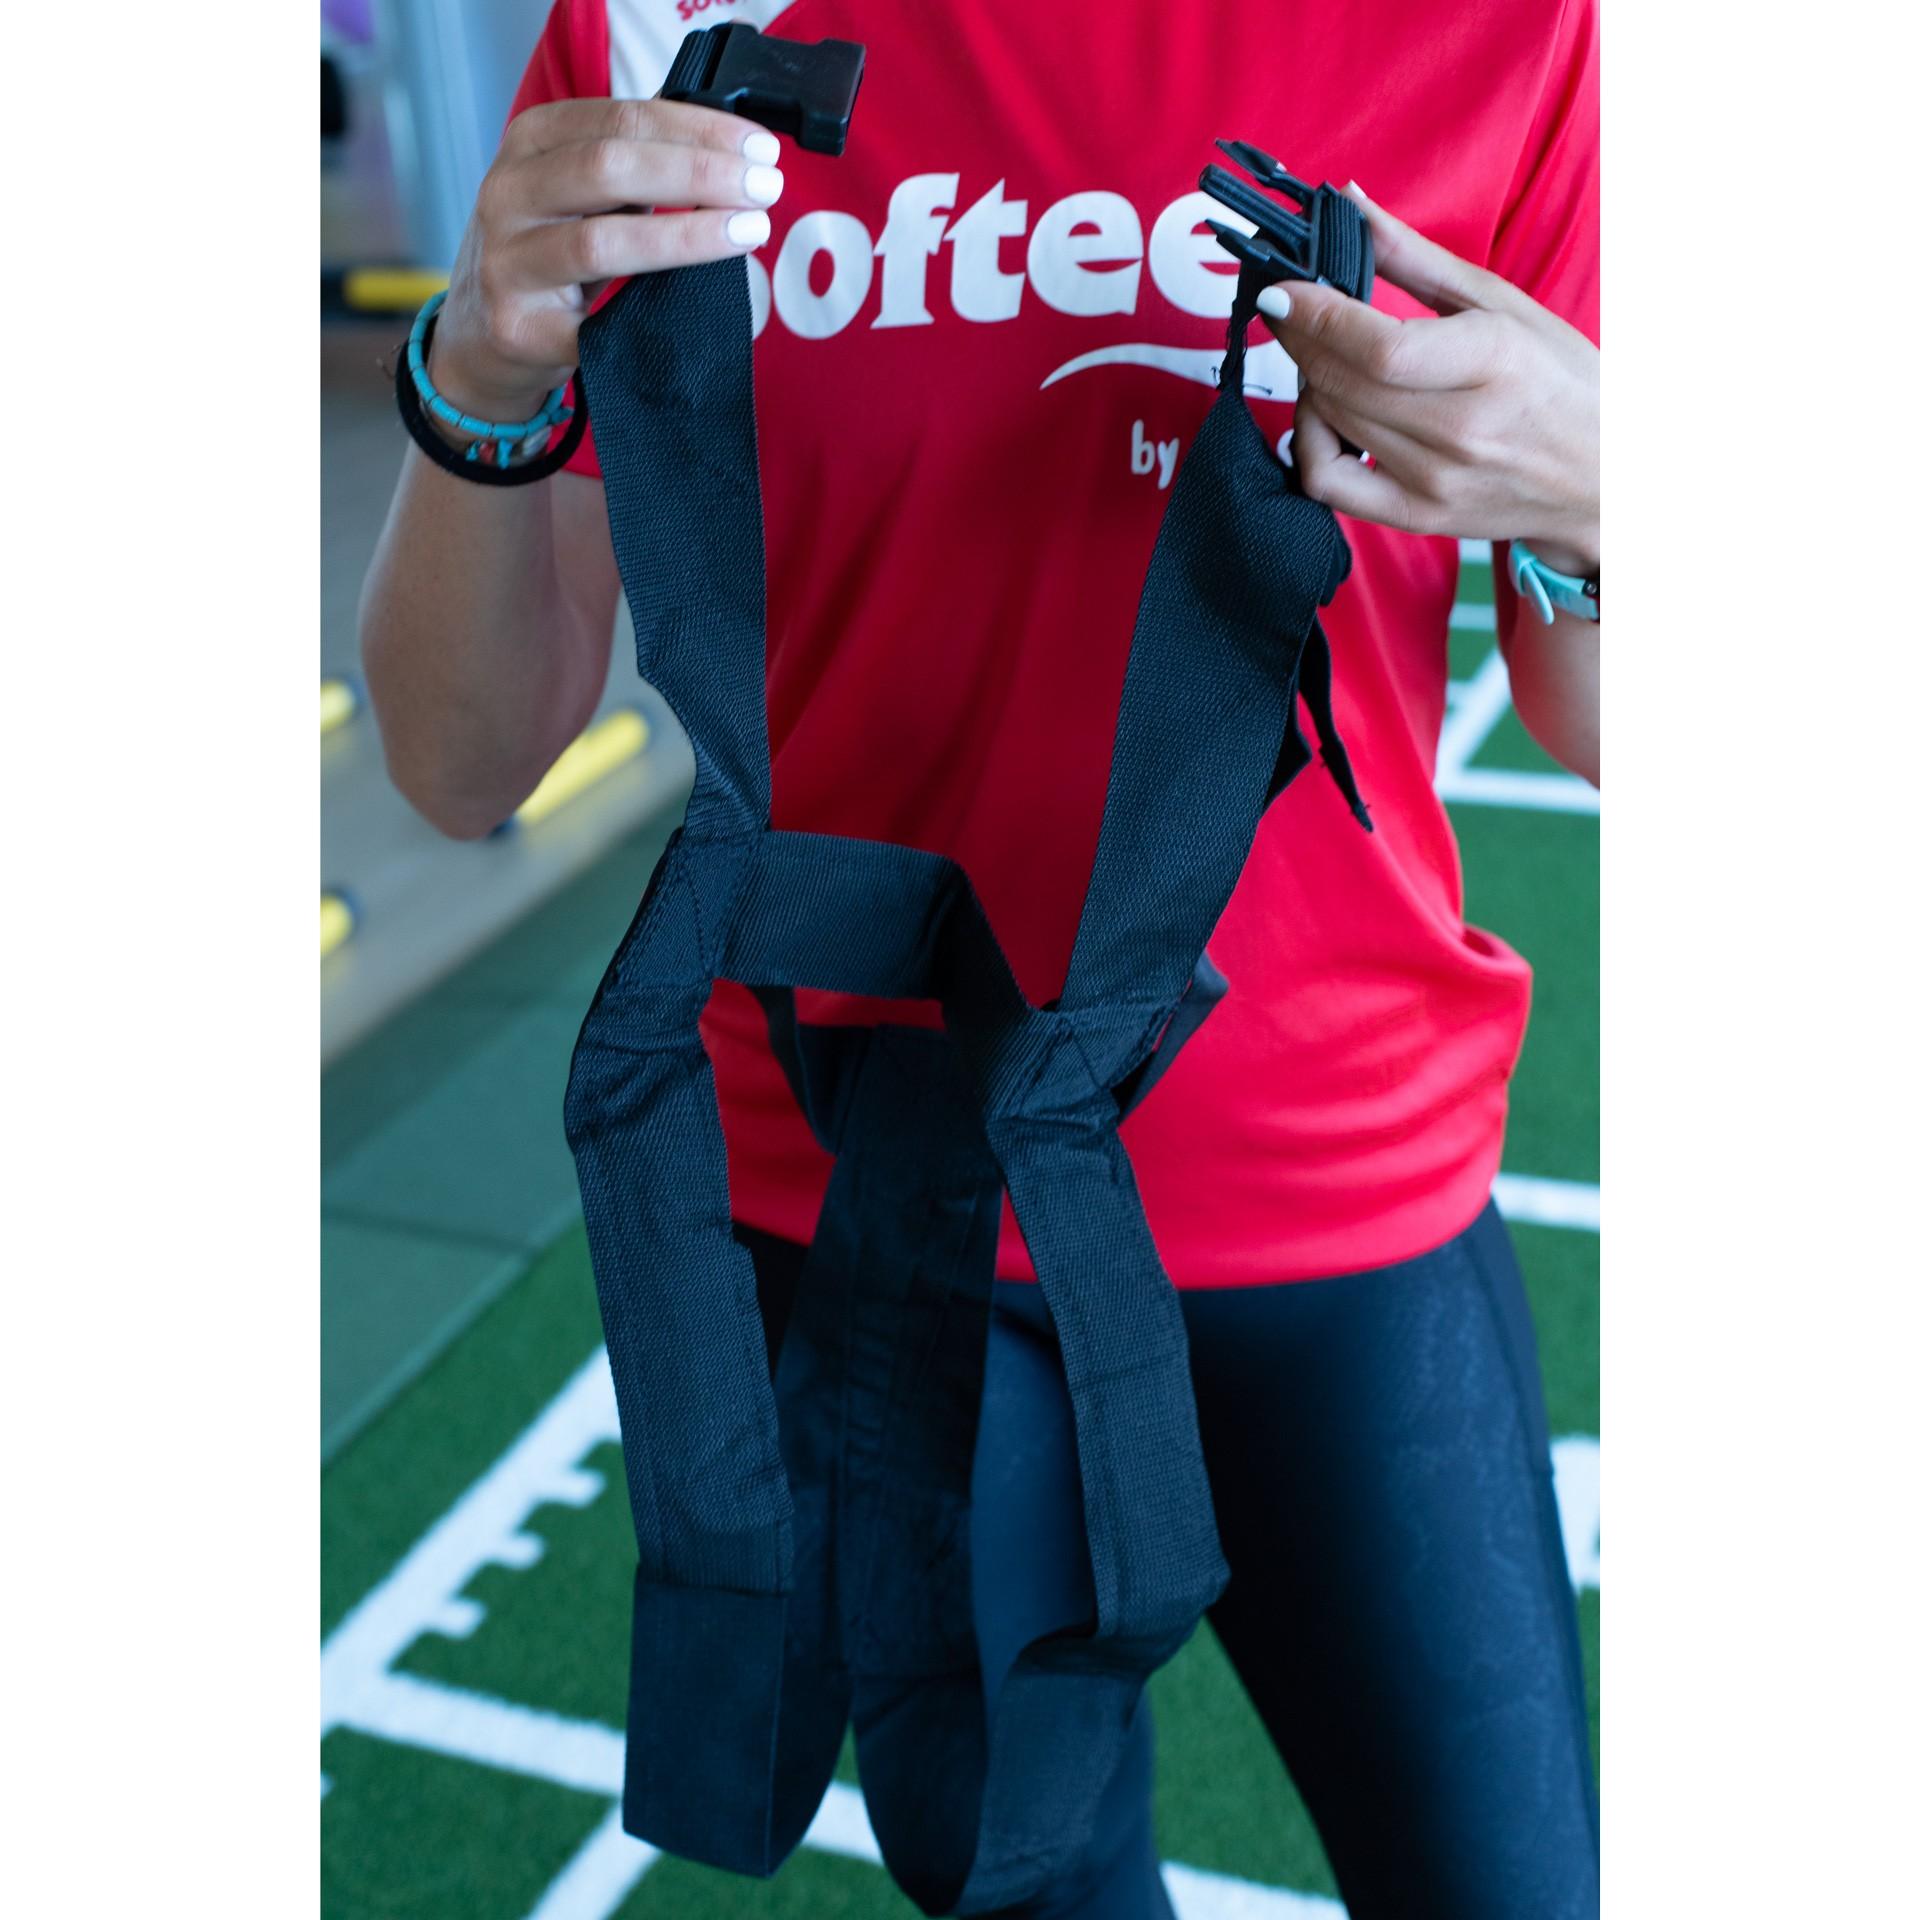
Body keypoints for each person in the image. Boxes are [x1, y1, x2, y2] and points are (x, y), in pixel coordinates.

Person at [360, 3, 1600, 1914]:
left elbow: (1599, 721)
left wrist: (1610, 498)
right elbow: (459, 765)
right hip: (863, 1196)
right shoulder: (664, 21)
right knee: (1040, 1890)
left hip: (1331, 1177)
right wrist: (480, 364)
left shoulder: (1506, 31)